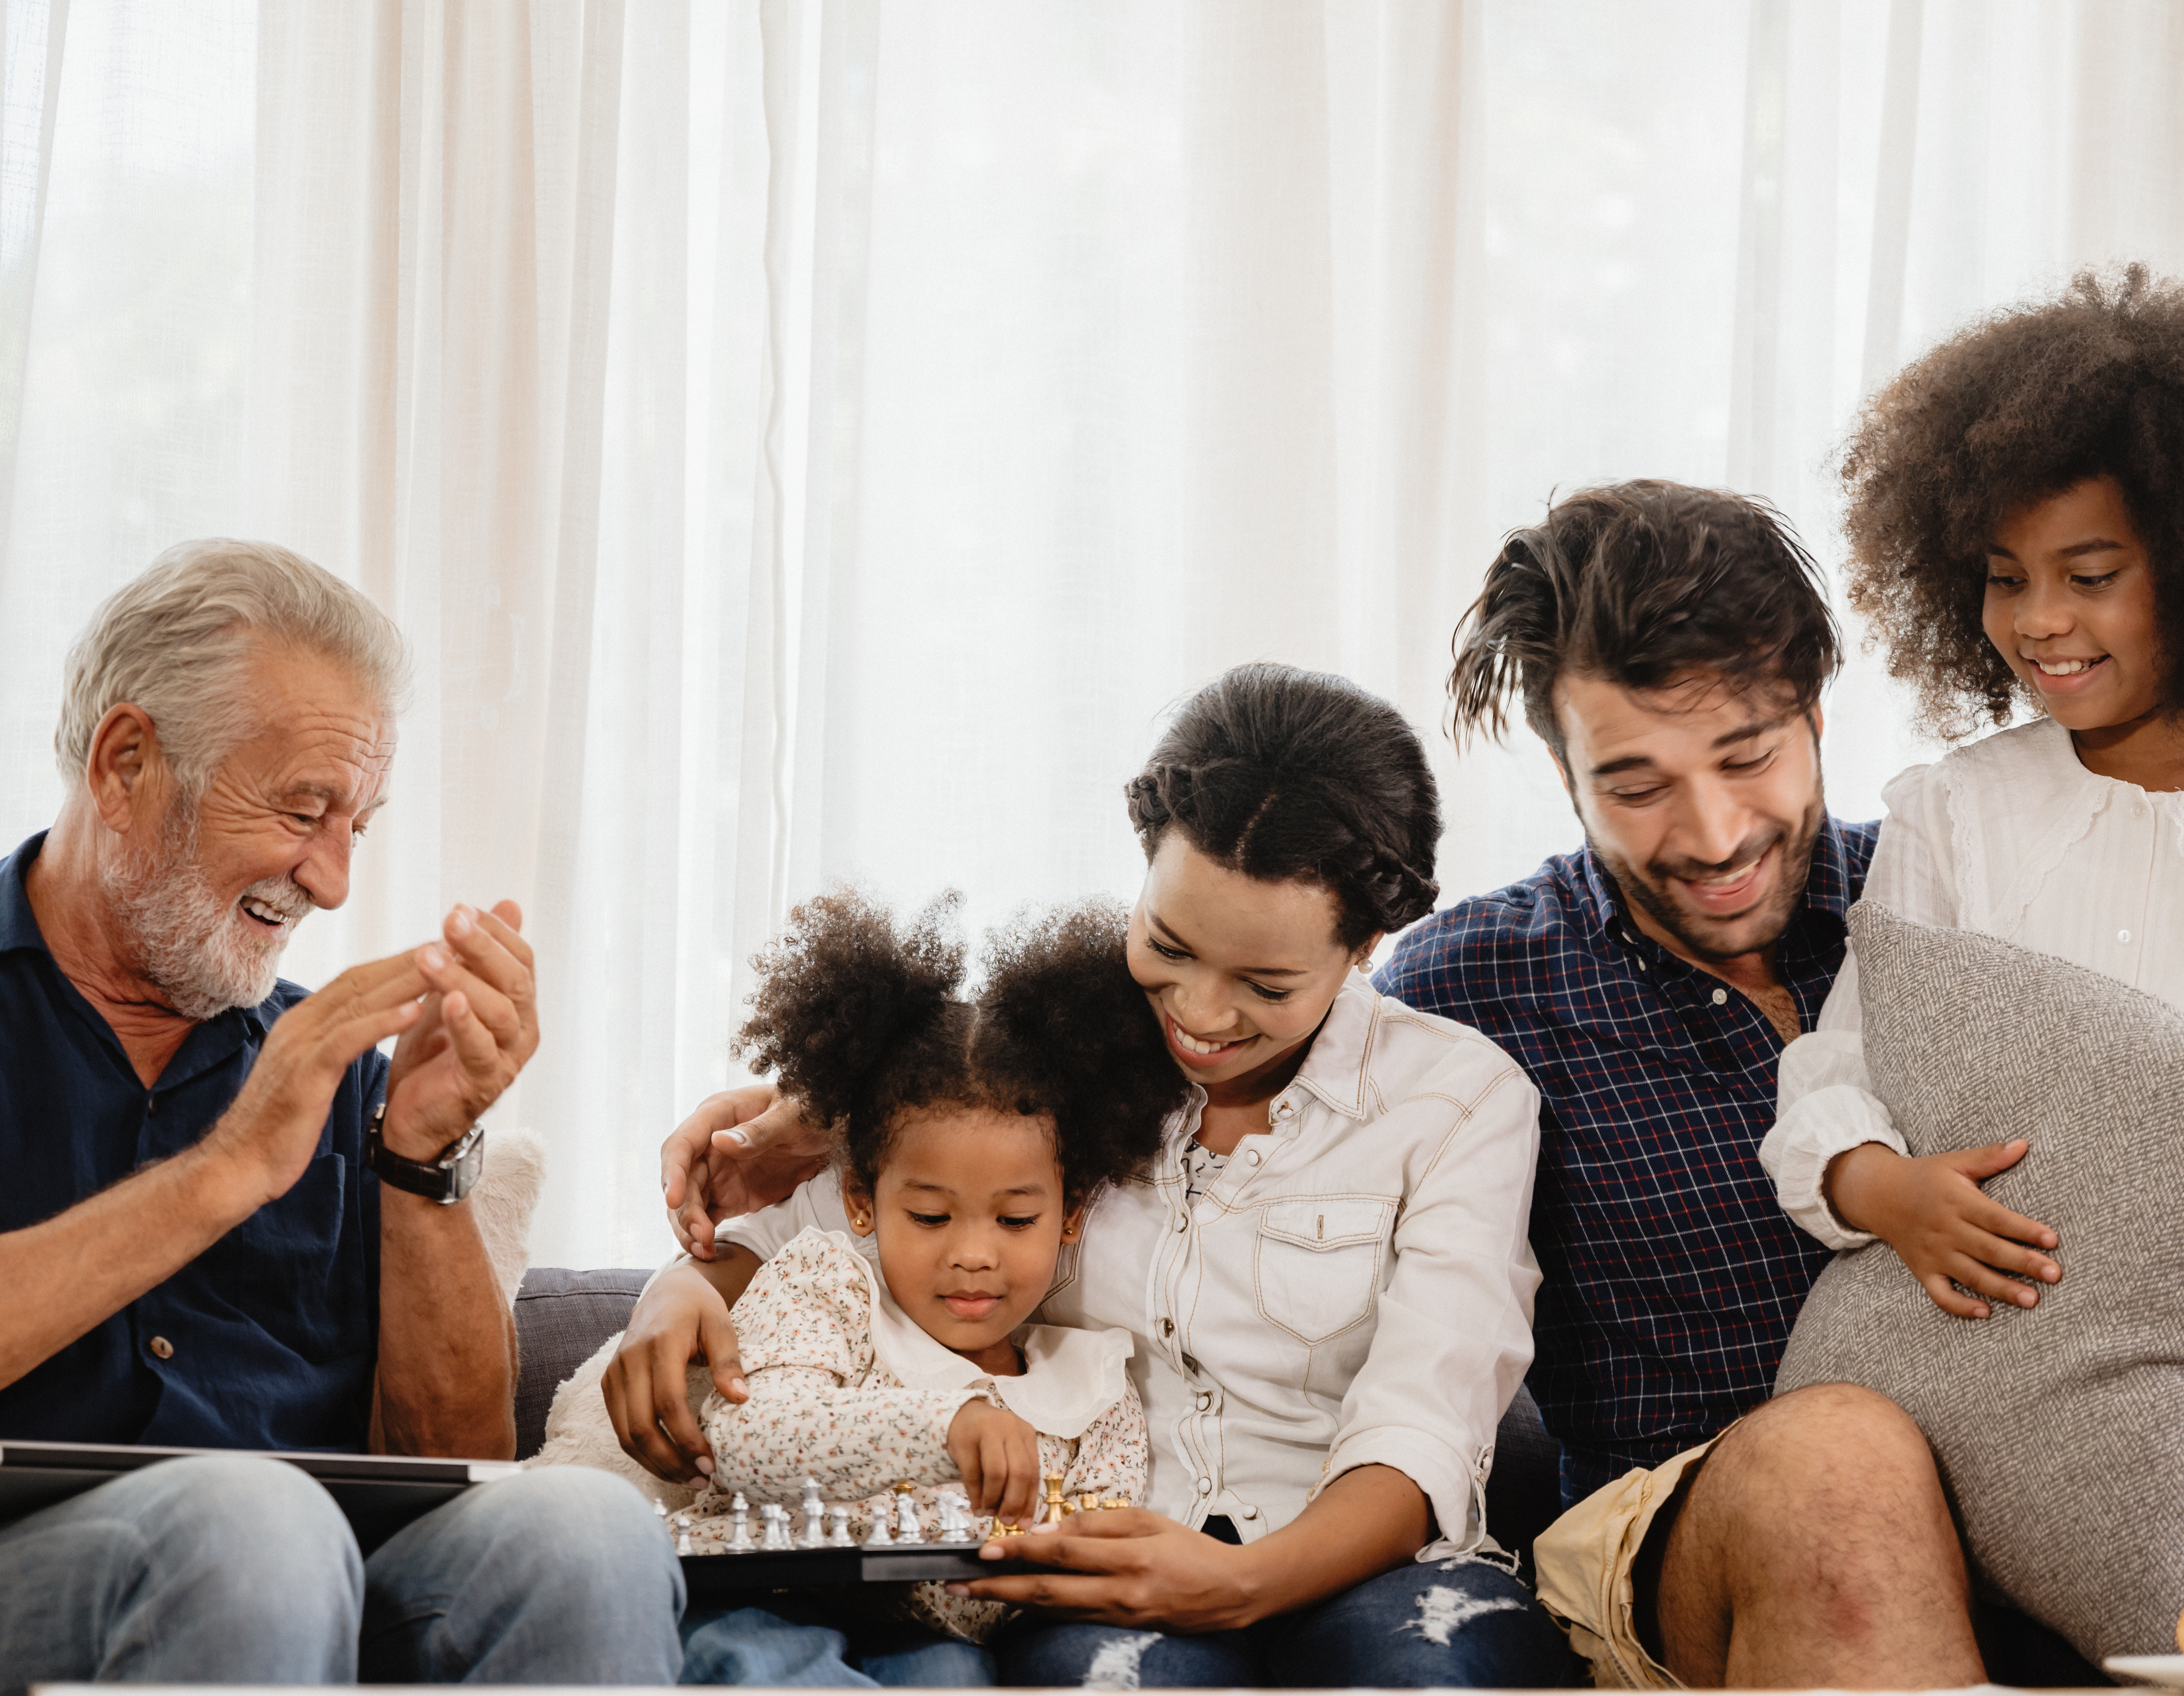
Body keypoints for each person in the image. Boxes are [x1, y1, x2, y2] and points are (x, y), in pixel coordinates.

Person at [1369, 464, 2184, 1690]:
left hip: (2086, 1477)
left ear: (1814, 715)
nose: (1712, 832)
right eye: (1634, 785)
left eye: (1749, 757)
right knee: (1846, 1459)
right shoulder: (1471, 986)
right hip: (1700, 1516)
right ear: (1562, 767)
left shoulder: (1950, 879)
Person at [0, 540, 683, 1693]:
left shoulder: (340, 1070)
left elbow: (453, 1465)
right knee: (252, 1523)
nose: (335, 878)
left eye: (359, 820)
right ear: (126, 761)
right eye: (305, 809)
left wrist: (422, 1154)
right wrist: (228, 1166)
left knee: (585, 1532)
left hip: (303, 1589)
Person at [635, 664, 1577, 1688]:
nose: (1203, 1015)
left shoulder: (1459, 1099)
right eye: (1168, 944)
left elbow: (1423, 1429)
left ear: (1366, 946)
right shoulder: (1046, 1054)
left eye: (1267, 983)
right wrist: (676, 1287)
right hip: (1103, 1575)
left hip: (1368, 1571)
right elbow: (806, 1249)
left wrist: (1240, 1582)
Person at [533, 889, 1170, 1685]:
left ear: (1070, 1216)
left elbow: (1099, 1541)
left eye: (1015, 1221)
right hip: (769, 1597)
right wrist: (944, 1424)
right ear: (863, 1203)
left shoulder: (1094, 1383)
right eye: (932, 1216)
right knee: (762, 1663)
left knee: (947, 1677)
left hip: (941, 1637)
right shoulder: (824, 1284)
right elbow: (747, 1437)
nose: (974, 1256)